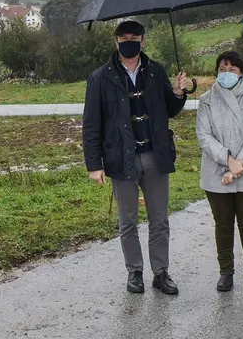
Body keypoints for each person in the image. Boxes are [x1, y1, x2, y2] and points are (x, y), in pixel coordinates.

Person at [82, 20, 194, 295]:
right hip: (122, 159)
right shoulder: (100, 77)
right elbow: (91, 123)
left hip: (156, 156)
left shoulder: (155, 71)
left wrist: (181, 92)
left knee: (159, 220)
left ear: (143, 41)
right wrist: (94, 164)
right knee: (128, 221)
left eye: (134, 37)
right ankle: (135, 272)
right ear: (116, 42)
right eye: (123, 37)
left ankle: (160, 272)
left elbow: (170, 109)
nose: (129, 41)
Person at [195, 51, 243, 294]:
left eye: (232, 69)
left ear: (242, 72)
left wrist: (239, 166)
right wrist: (227, 159)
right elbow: (204, 136)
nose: (226, 74)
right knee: (222, 225)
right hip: (217, 172)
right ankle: (226, 272)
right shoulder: (206, 100)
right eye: (222, 69)